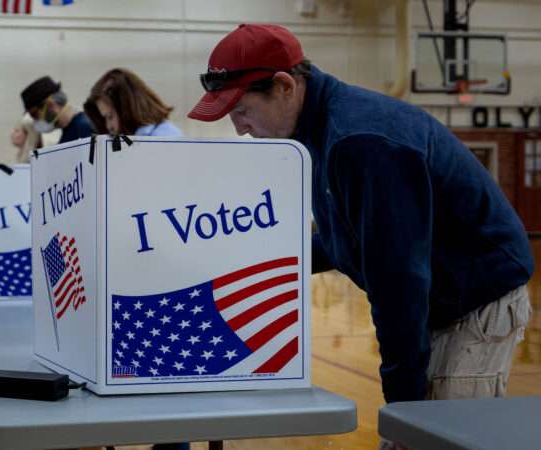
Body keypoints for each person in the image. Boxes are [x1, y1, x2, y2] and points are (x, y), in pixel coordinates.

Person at [188, 23, 533, 448]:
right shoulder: (313, 134)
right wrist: (253, 259)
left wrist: (402, 406)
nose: (240, 128)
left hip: (474, 298)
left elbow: (398, 282)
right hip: (434, 295)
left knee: (441, 437)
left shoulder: (362, 142)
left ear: (284, 86)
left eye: (242, 111)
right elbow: (344, 241)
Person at [84, 68, 183, 137]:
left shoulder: (164, 139)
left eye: (110, 116)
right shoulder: (138, 140)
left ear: (127, 110)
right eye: (105, 118)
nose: (108, 126)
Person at [20, 75, 93, 144]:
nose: (34, 120)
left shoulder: (85, 128)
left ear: (50, 104)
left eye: (34, 115)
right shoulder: (70, 131)